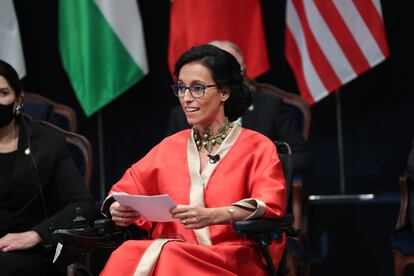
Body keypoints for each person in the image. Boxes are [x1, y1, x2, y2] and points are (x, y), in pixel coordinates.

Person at [100, 45, 287, 275]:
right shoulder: (169, 146)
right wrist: (118, 208)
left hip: (233, 256)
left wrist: (213, 215)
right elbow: (124, 189)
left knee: (168, 256)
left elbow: (269, 203)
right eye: (181, 88)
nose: (186, 98)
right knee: (127, 252)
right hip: (175, 250)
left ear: (224, 92)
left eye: (197, 88)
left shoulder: (257, 146)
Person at [0, 59, 94, 275]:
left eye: (3, 93)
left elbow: (82, 205)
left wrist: (37, 235)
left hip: (31, 251)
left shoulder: (47, 142)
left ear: (17, 100)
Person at [167, 40, 311, 174]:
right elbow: (165, 165)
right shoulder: (182, 114)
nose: (187, 98)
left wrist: (255, 167)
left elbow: (300, 156)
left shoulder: (270, 108)